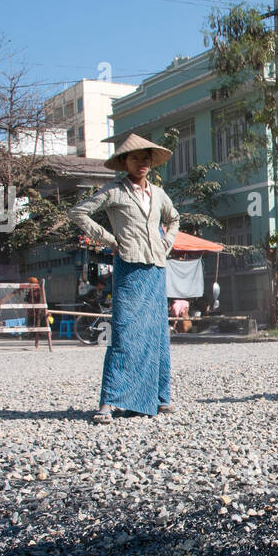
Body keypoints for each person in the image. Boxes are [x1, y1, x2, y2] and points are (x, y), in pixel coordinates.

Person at [69, 134, 180, 424]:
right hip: (129, 267)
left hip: (156, 267)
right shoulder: (114, 191)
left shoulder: (158, 194)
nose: (141, 163)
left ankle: (159, 397)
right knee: (126, 331)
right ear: (124, 162)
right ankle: (109, 401)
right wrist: (109, 240)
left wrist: (166, 242)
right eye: (135, 158)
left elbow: (175, 218)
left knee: (156, 333)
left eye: (146, 158)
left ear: (151, 163)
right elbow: (78, 212)